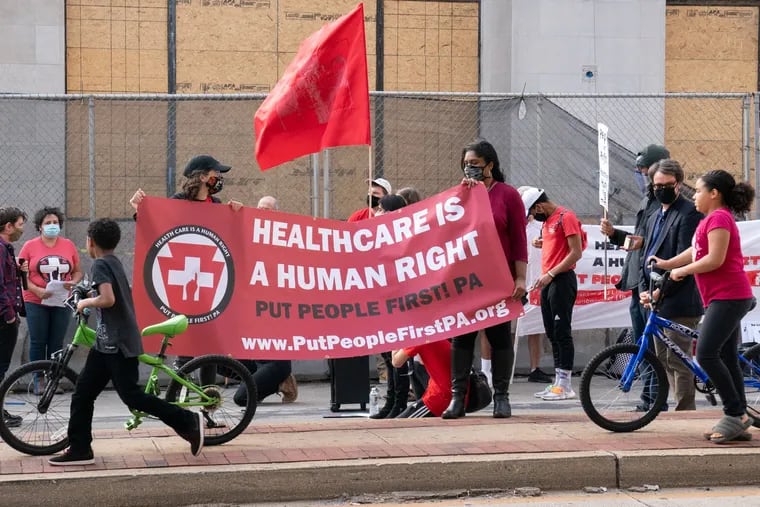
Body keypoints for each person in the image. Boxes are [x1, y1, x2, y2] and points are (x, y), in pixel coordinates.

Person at [48, 219, 203, 465]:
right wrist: (87, 293)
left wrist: (84, 302)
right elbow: (107, 293)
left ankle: (188, 421)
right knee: (83, 394)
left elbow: (108, 299)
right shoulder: (113, 261)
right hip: (106, 343)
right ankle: (80, 449)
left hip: (117, 343)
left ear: (90, 241)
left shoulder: (100, 264)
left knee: (132, 396)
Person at [650, 170, 755, 443]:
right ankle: (740, 419)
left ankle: (735, 413)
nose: (693, 195)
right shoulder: (708, 221)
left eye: (697, 190)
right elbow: (696, 251)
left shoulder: (720, 218)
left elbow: (715, 259)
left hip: (730, 296)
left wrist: (682, 271)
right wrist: (666, 263)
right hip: (722, 297)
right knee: (728, 357)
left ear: (714, 193)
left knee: (707, 354)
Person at [130, 155, 243, 382]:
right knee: (186, 343)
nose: (219, 178)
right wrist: (138, 210)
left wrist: (237, 216)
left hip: (207, 283)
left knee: (209, 346)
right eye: (215, 173)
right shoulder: (178, 201)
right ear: (202, 177)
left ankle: (207, 401)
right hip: (182, 280)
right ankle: (177, 396)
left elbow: (230, 238)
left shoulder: (218, 206)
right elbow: (157, 229)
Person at [442, 139, 528, 419]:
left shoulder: (507, 195)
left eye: (475, 164)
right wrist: (463, 196)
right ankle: (458, 398)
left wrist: (520, 278)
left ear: (490, 165)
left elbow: (518, 240)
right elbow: (446, 233)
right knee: (461, 338)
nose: (470, 169)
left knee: (499, 337)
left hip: (498, 279)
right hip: (466, 280)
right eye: (466, 165)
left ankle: (501, 397)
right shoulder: (460, 195)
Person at [600, 144, 669, 408]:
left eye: (645, 171)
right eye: (639, 172)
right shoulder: (647, 201)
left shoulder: (662, 204)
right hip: (637, 278)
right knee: (642, 341)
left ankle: (653, 397)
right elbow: (638, 242)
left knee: (650, 344)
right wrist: (614, 235)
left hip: (652, 279)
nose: (642, 177)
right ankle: (650, 395)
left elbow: (650, 242)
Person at [638, 159, 703, 411]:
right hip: (657, 299)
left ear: (678, 184)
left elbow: (683, 259)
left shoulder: (689, 213)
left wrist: (658, 291)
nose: (661, 189)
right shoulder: (655, 215)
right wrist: (647, 290)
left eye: (667, 185)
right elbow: (648, 255)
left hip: (680, 298)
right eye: (657, 185)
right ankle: (671, 407)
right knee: (663, 359)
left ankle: (685, 410)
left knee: (679, 360)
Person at [519, 187, 585, 401]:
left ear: (538, 206)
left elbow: (576, 252)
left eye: (532, 212)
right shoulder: (547, 222)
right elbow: (558, 246)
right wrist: (543, 243)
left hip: (562, 280)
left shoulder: (566, 217)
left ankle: (565, 384)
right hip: (549, 281)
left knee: (561, 330)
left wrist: (551, 273)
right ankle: (558, 382)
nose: (533, 217)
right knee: (552, 331)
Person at [234, 194, 298, 405]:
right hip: (251, 324)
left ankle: (278, 377)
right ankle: (275, 381)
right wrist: (237, 215)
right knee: (214, 359)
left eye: (267, 209)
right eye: (259, 208)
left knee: (242, 399)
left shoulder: (285, 242)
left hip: (275, 330)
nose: (262, 212)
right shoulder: (249, 235)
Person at [18, 207, 83, 367]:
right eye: (48, 223)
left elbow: (77, 271)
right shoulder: (29, 246)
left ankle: (53, 378)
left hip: (62, 300)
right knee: (38, 340)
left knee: (57, 341)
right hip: (35, 300)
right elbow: (20, 275)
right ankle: (38, 378)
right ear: (40, 226)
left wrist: (73, 283)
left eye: (55, 222)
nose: (52, 225)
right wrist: (37, 290)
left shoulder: (68, 245)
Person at [370, 192, 412, 418]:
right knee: (387, 355)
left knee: (398, 356)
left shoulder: (402, 239)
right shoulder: (376, 238)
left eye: (381, 208)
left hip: (399, 303)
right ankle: (391, 401)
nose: (377, 212)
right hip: (382, 301)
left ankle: (400, 401)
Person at [0, 207, 27, 428]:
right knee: (1, 367)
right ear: (8, 226)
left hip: (6, 317)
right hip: (3, 320)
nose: (22, 229)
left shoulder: (6, 249)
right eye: (19, 224)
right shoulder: (0, 249)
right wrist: (9, 316)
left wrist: (18, 270)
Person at [391, 339, 451, 418]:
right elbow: (421, 361)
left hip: (439, 398)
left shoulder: (420, 338)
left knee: (399, 424)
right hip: (452, 393)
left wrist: (394, 340)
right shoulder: (435, 334)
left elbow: (396, 362)